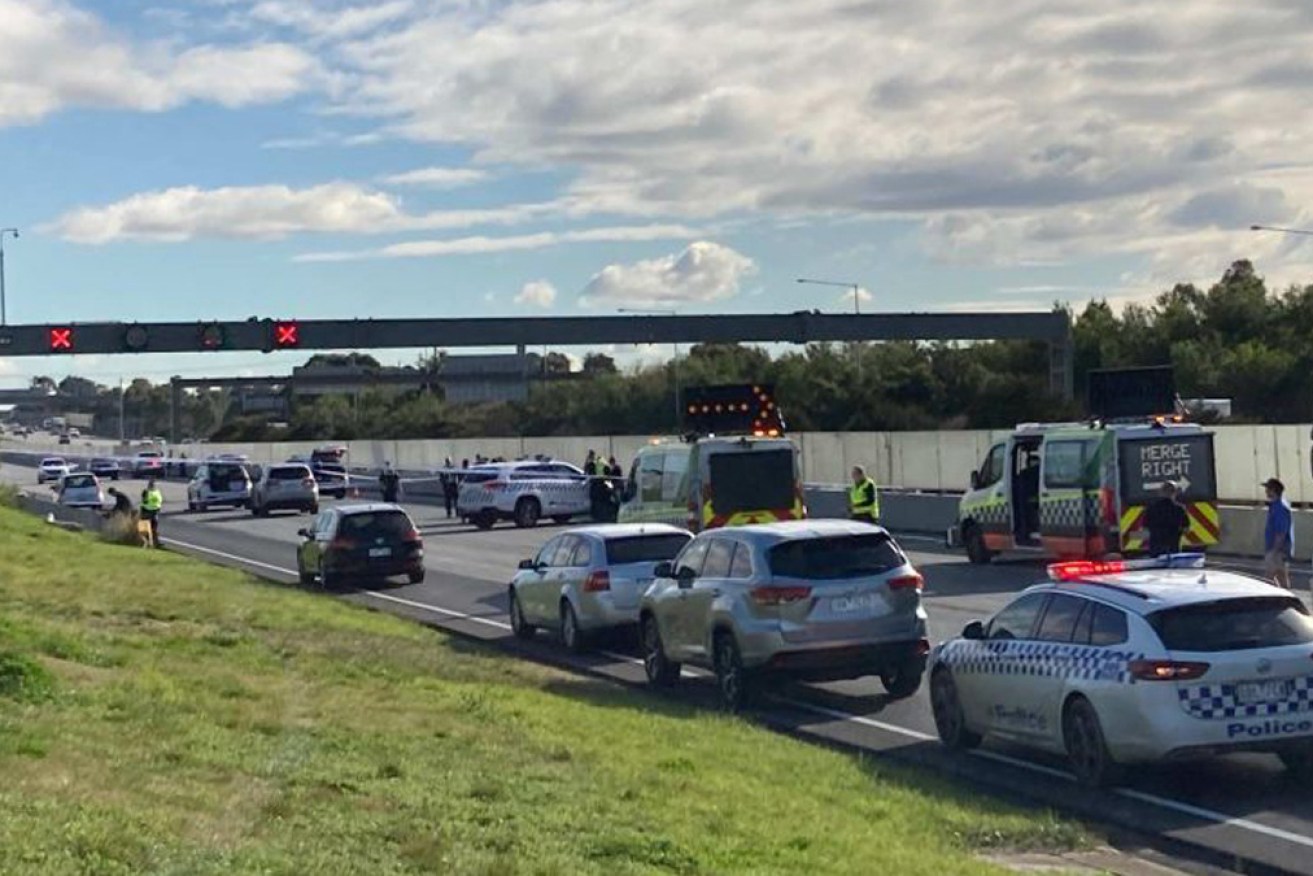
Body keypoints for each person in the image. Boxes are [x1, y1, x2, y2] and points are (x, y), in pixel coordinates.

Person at [1145, 480, 1188, 556]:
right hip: (1173, 545)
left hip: (1156, 546)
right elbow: (1185, 528)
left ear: (1161, 492)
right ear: (1175, 493)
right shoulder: (1179, 509)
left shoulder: (1152, 508)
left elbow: (1145, 526)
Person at [1264, 477, 1294, 588]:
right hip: (1281, 550)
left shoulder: (1279, 508)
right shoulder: (1279, 505)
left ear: (1273, 490)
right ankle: (1287, 600)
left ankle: (1271, 601)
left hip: (1277, 550)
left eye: (1268, 489)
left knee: (1268, 580)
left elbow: (1281, 533)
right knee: (1281, 578)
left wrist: (1274, 552)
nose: (1266, 491)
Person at [139, 478, 163, 546]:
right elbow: (144, 501)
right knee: (147, 528)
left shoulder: (157, 491)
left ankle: (155, 542)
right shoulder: (146, 492)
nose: (153, 485)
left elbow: (159, 501)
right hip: (147, 511)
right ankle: (146, 542)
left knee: (153, 528)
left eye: (153, 484)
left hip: (154, 511)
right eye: (151, 484)